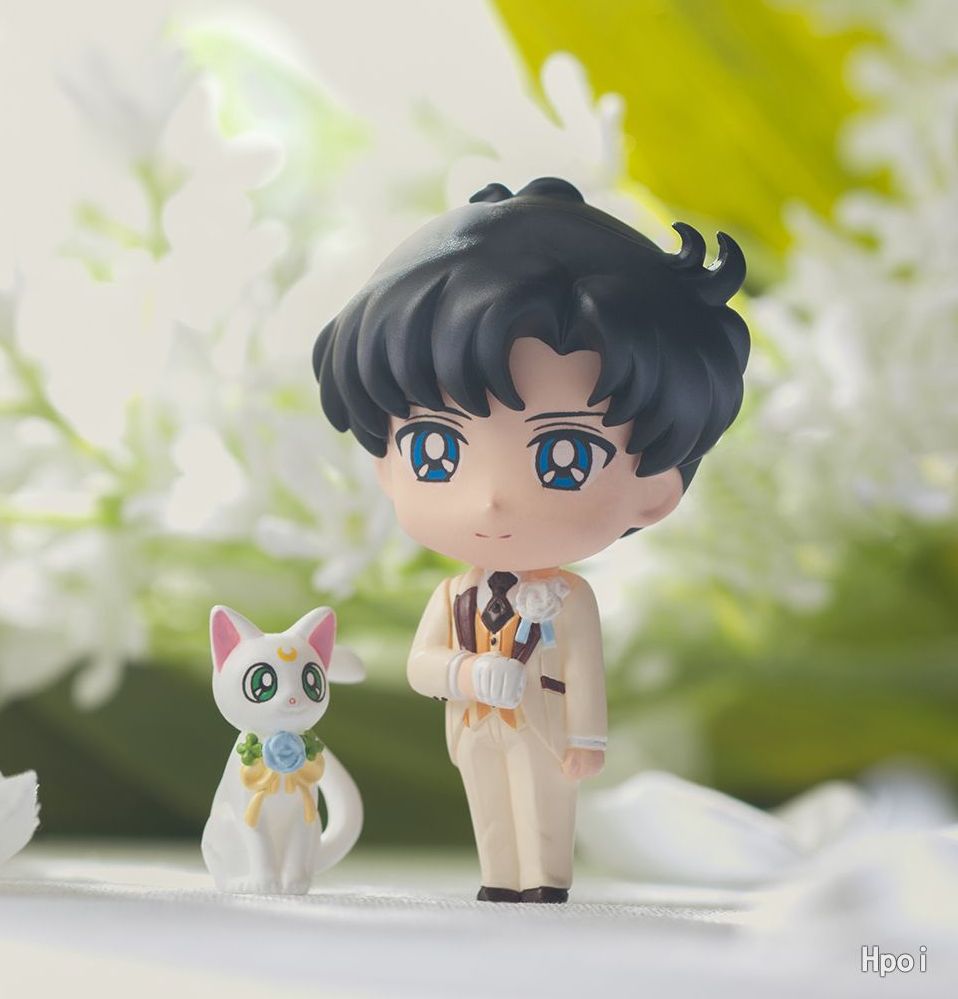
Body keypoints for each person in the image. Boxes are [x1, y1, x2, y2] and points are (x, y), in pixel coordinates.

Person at [312, 177, 750, 902]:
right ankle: (500, 881)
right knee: (491, 809)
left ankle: (544, 882)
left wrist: (589, 739)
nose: (491, 498)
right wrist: (464, 675)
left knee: (544, 811)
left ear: (656, 487)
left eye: (563, 456)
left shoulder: (570, 599)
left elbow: (584, 670)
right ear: (387, 464)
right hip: (474, 725)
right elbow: (423, 664)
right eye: (435, 451)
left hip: (545, 725)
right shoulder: (453, 596)